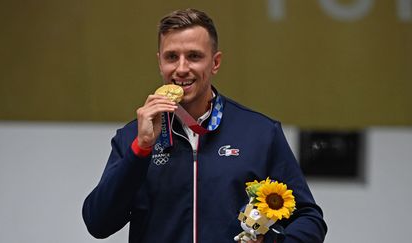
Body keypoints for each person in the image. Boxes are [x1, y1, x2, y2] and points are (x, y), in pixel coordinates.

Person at [82, 8, 327, 243]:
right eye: (171, 57)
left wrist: (272, 241)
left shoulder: (260, 133)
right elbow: (98, 224)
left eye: (194, 56)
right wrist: (141, 149)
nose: (181, 68)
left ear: (215, 62)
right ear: (159, 63)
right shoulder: (133, 138)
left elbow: (309, 219)